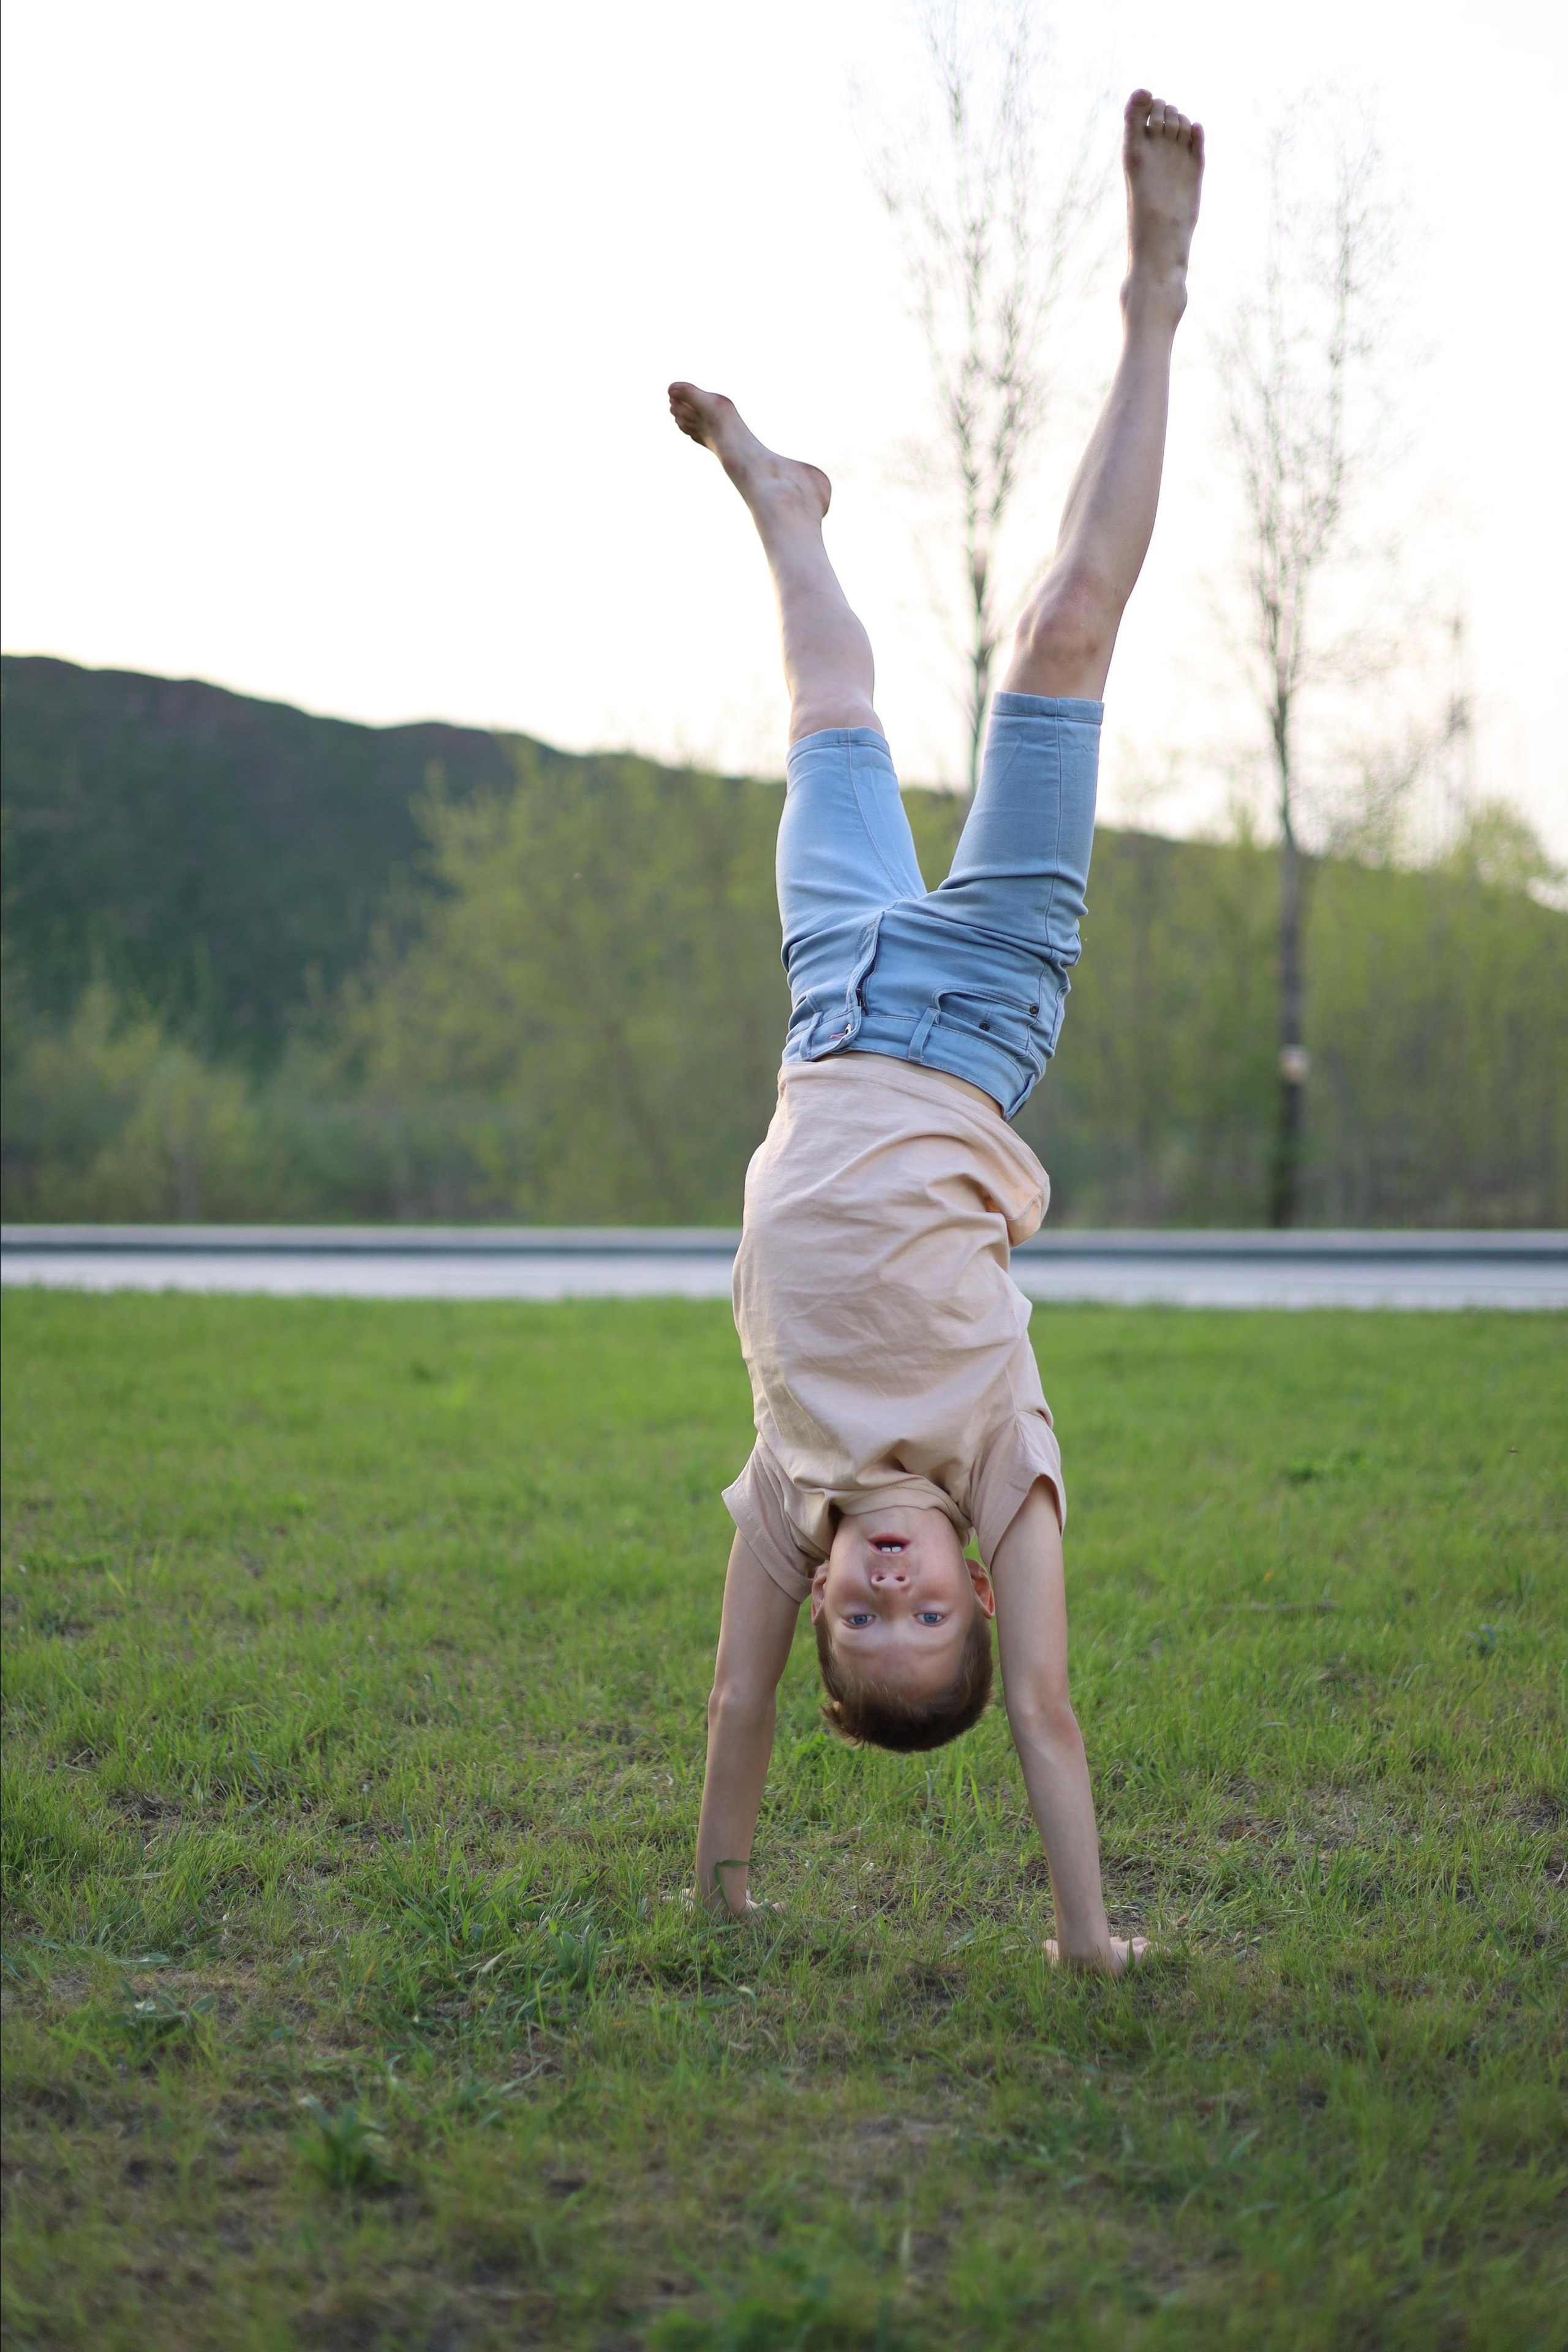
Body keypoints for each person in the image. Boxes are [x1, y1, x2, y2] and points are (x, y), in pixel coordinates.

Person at [674, 91, 1203, 1975]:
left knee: (829, 694)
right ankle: (1155, 298)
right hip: (977, 1012)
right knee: (1060, 631)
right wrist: (1086, 1940)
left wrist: (722, 1892)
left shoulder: (787, 1485)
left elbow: (734, 1709)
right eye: (928, 1619)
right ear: (981, 1585)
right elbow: (1045, 1717)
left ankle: (786, 505)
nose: (889, 1593)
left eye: (860, 1621)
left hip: (830, 1003)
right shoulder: (1002, 1464)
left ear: (820, 1590)